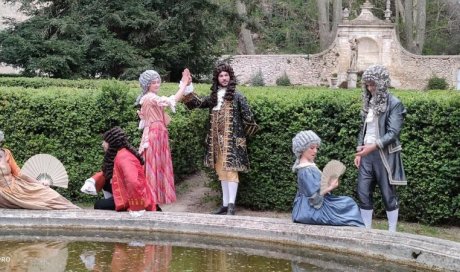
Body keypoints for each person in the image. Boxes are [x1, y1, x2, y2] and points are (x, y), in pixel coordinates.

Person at [182, 63, 258, 215]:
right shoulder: (214, 97)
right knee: (221, 171)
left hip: (232, 142)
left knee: (231, 171)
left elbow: (250, 120)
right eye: (221, 76)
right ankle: (224, 204)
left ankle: (231, 205)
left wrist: (240, 140)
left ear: (231, 77)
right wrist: (188, 85)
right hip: (215, 142)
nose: (224, 78)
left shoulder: (238, 96)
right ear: (217, 78)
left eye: (226, 76)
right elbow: (195, 103)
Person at [354, 65, 407, 232]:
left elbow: (393, 133)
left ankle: (392, 232)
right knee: (362, 192)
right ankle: (366, 230)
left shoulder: (395, 103)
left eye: (373, 84)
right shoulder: (369, 102)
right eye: (368, 85)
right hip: (366, 156)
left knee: (388, 194)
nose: (370, 88)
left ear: (382, 83)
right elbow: (363, 129)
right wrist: (359, 151)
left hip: (384, 155)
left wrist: (371, 147)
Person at [136, 69, 191, 208]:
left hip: (158, 134)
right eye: (153, 82)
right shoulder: (150, 98)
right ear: (147, 85)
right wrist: (183, 84)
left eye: (158, 81)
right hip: (155, 135)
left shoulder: (149, 98)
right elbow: (172, 100)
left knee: (156, 166)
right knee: (153, 166)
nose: (157, 84)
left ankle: (152, 200)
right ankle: (151, 201)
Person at [291, 130, 364, 227]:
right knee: (348, 204)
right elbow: (314, 197)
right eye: (312, 148)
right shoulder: (305, 170)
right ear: (302, 149)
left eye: (316, 148)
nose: (315, 151)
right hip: (309, 209)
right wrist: (331, 187)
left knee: (347, 202)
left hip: (313, 205)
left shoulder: (308, 167)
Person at [0, 130, 79, 210]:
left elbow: (19, 173)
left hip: (18, 186)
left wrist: (38, 183)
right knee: (34, 204)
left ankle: (74, 210)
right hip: (3, 194)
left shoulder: (6, 153)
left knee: (47, 193)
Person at [89, 126, 155, 213]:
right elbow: (106, 174)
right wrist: (91, 181)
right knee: (105, 186)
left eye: (105, 142)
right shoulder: (120, 154)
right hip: (129, 194)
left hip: (139, 201)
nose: (102, 144)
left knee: (99, 205)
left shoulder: (124, 157)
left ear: (111, 143)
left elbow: (133, 182)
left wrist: (137, 207)